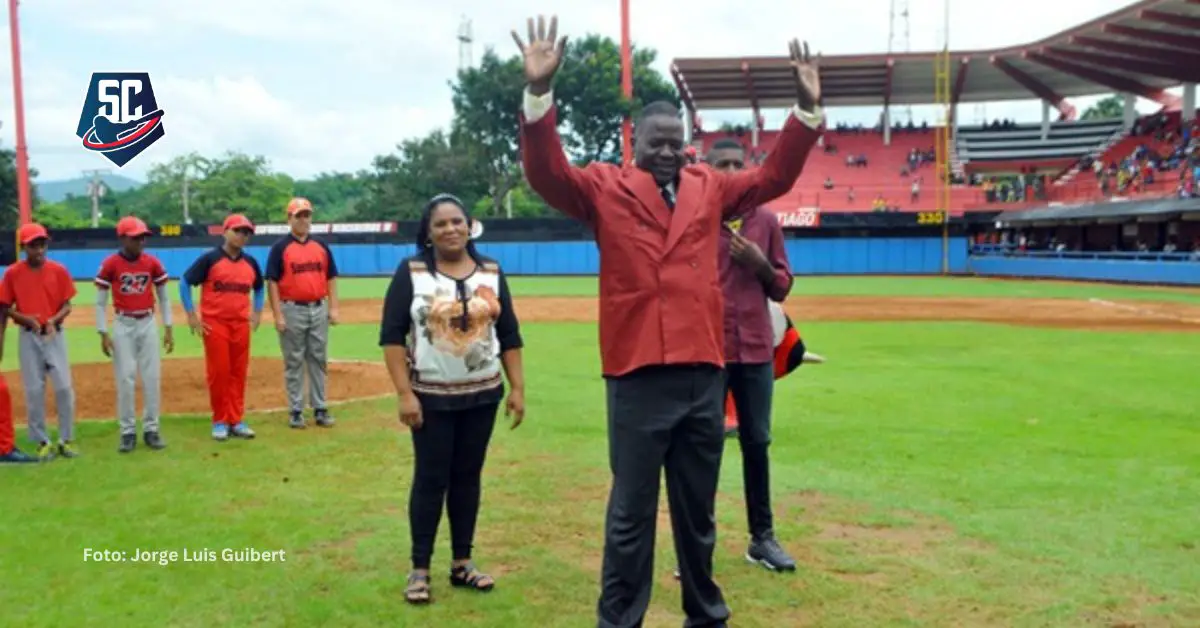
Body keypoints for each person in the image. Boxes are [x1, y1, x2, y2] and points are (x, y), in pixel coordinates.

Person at [512, 15, 823, 627]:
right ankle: (620, 618)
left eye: (675, 140)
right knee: (630, 515)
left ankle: (704, 614)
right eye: (654, 140)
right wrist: (538, 96)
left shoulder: (709, 188)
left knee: (697, 511)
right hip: (635, 378)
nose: (666, 150)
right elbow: (546, 173)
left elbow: (773, 177)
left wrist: (805, 112)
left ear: (686, 143)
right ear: (635, 142)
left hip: (703, 377)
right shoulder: (603, 188)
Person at [379, 193, 526, 605]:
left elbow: (510, 334)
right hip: (429, 398)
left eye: (457, 222)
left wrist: (517, 388)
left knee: (467, 478)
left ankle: (462, 563)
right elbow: (391, 336)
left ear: (470, 225)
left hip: (482, 394)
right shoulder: (411, 273)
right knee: (430, 479)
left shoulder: (492, 272)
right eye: (441, 224)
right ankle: (419, 569)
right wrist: (405, 394)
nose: (451, 229)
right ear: (428, 232)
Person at [705, 138, 799, 572]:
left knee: (756, 442)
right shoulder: (697, 219)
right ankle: (697, 544)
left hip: (757, 349)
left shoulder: (766, 221)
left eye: (737, 163)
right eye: (721, 163)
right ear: (707, 168)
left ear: (750, 168)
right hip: (708, 350)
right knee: (702, 448)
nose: (729, 169)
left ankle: (762, 538)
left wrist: (761, 264)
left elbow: (781, 285)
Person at [180, 213, 265, 441]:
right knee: (219, 373)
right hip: (215, 324)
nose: (242, 236)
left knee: (238, 373)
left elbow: (259, 287)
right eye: (238, 230)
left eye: (246, 232)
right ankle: (220, 420)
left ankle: (236, 420)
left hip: (240, 324)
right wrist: (191, 314)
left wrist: (257, 311)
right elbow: (185, 282)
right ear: (225, 231)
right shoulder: (210, 259)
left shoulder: (251, 263)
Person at [95, 216, 175, 453]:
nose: (141, 241)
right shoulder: (111, 264)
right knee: (126, 378)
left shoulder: (152, 263)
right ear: (122, 238)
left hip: (147, 321)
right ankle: (127, 432)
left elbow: (164, 297)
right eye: (135, 237)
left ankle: (152, 429)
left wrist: (168, 327)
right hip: (123, 323)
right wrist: (103, 332)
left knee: (152, 377)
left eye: (143, 237)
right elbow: (100, 303)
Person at [0, 223, 79, 460]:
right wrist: (24, 318)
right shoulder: (13, 273)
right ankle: (41, 440)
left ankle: (65, 439)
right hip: (28, 336)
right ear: (24, 247)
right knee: (34, 390)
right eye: (34, 245)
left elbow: (68, 304)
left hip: (54, 334)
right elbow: (4, 308)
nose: (39, 249)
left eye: (42, 244)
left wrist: (54, 319)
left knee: (64, 388)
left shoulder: (59, 270)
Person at [265, 197, 340, 429]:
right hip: (292, 308)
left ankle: (320, 407)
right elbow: (272, 282)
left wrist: (334, 307)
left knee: (318, 358)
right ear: (289, 219)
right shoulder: (280, 247)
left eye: (307, 215)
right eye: (299, 215)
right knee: (294, 360)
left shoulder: (321, 246)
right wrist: (277, 314)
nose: (304, 220)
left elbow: (331, 276)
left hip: (318, 307)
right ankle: (296, 410)